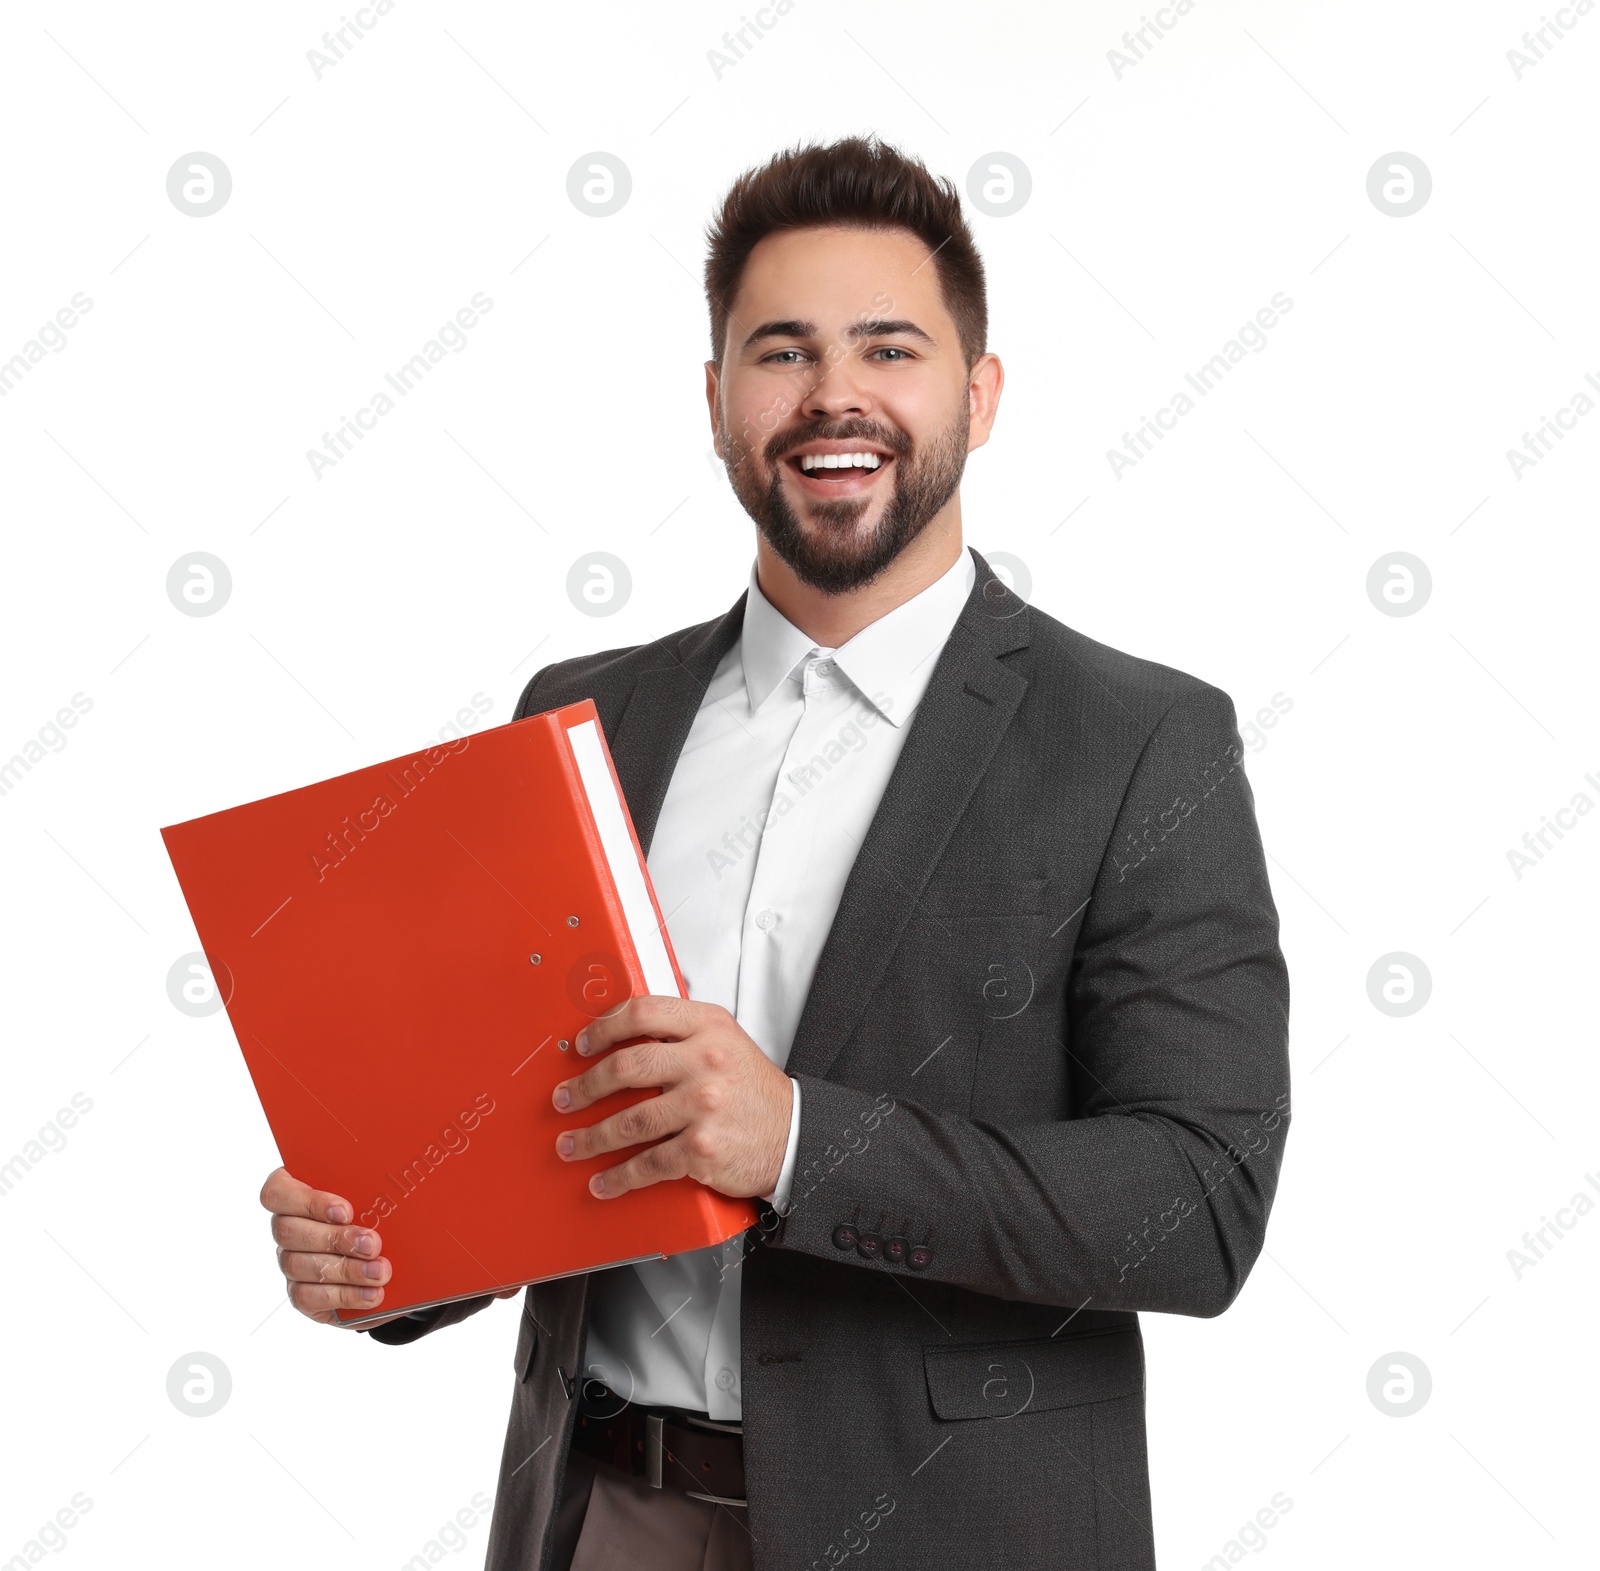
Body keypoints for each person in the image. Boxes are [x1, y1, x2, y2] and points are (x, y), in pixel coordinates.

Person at [260, 133, 1291, 1571]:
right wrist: (385, 1263)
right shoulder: (584, 714)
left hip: (952, 1535)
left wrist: (802, 1143)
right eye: (782, 353)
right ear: (717, 399)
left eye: (890, 349)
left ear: (979, 397)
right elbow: (510, 1136)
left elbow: (1198, 1206)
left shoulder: (1136, 742)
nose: (834, 397)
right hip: (595, 1514)